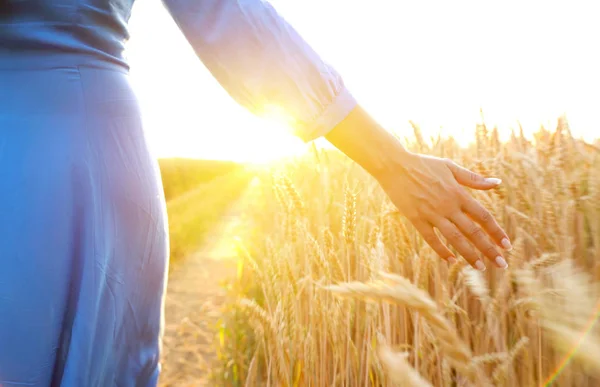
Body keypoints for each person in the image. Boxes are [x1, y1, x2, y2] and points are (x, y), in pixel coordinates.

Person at [0, 0, 512, 385]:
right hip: (84, 138)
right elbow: (228, 13)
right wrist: (392, 162)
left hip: (66, 151)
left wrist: (392, 162)